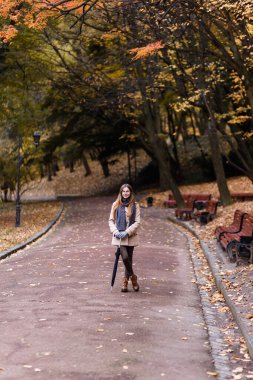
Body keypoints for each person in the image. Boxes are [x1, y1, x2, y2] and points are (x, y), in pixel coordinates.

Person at [108, 184, 141, 292]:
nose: (125, 193)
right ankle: (134, 278)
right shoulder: (116, 204)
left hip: (130, 235)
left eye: (127, 191)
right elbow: (111, 220)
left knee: (129, 260)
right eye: (123, 191)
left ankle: (125, 283)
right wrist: (115, 231)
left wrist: (127, 231)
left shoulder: (135, 205)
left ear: (130, 193)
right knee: (125, 258)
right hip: (119, 237)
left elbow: (137, 222)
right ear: (121, 192)